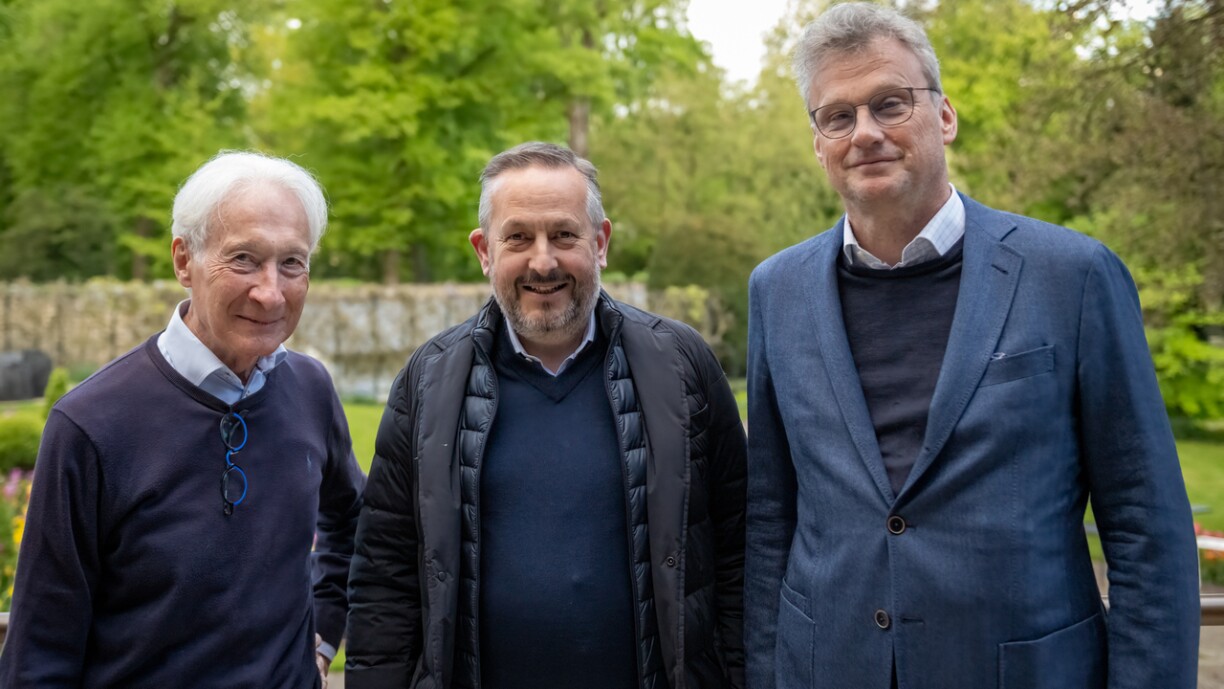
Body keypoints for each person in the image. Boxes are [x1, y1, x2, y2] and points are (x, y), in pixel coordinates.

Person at [744, 4, 1200, 689]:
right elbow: (770, 516)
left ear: (945, 116)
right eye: (837, 116)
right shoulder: (776, 290)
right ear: (818, 143)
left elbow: (1145, 524)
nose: (865, 132)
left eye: (890, 104)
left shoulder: (1072, 276)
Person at [344, 141, 747, 689]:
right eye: (518, 237)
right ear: (484, 251)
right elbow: (384, 578)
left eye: (563, 235)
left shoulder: (681, 365)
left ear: (600, 243)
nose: (542, 261)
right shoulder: (428, 381)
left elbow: (739, 552)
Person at [0, 151, 365, 688]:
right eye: (244, 259)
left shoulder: (310, 389)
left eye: (292, 262)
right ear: (183, 260)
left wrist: (323, 635)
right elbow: (40, 654)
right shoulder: (91, 424)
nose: (271, 292)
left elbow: (355, 522)